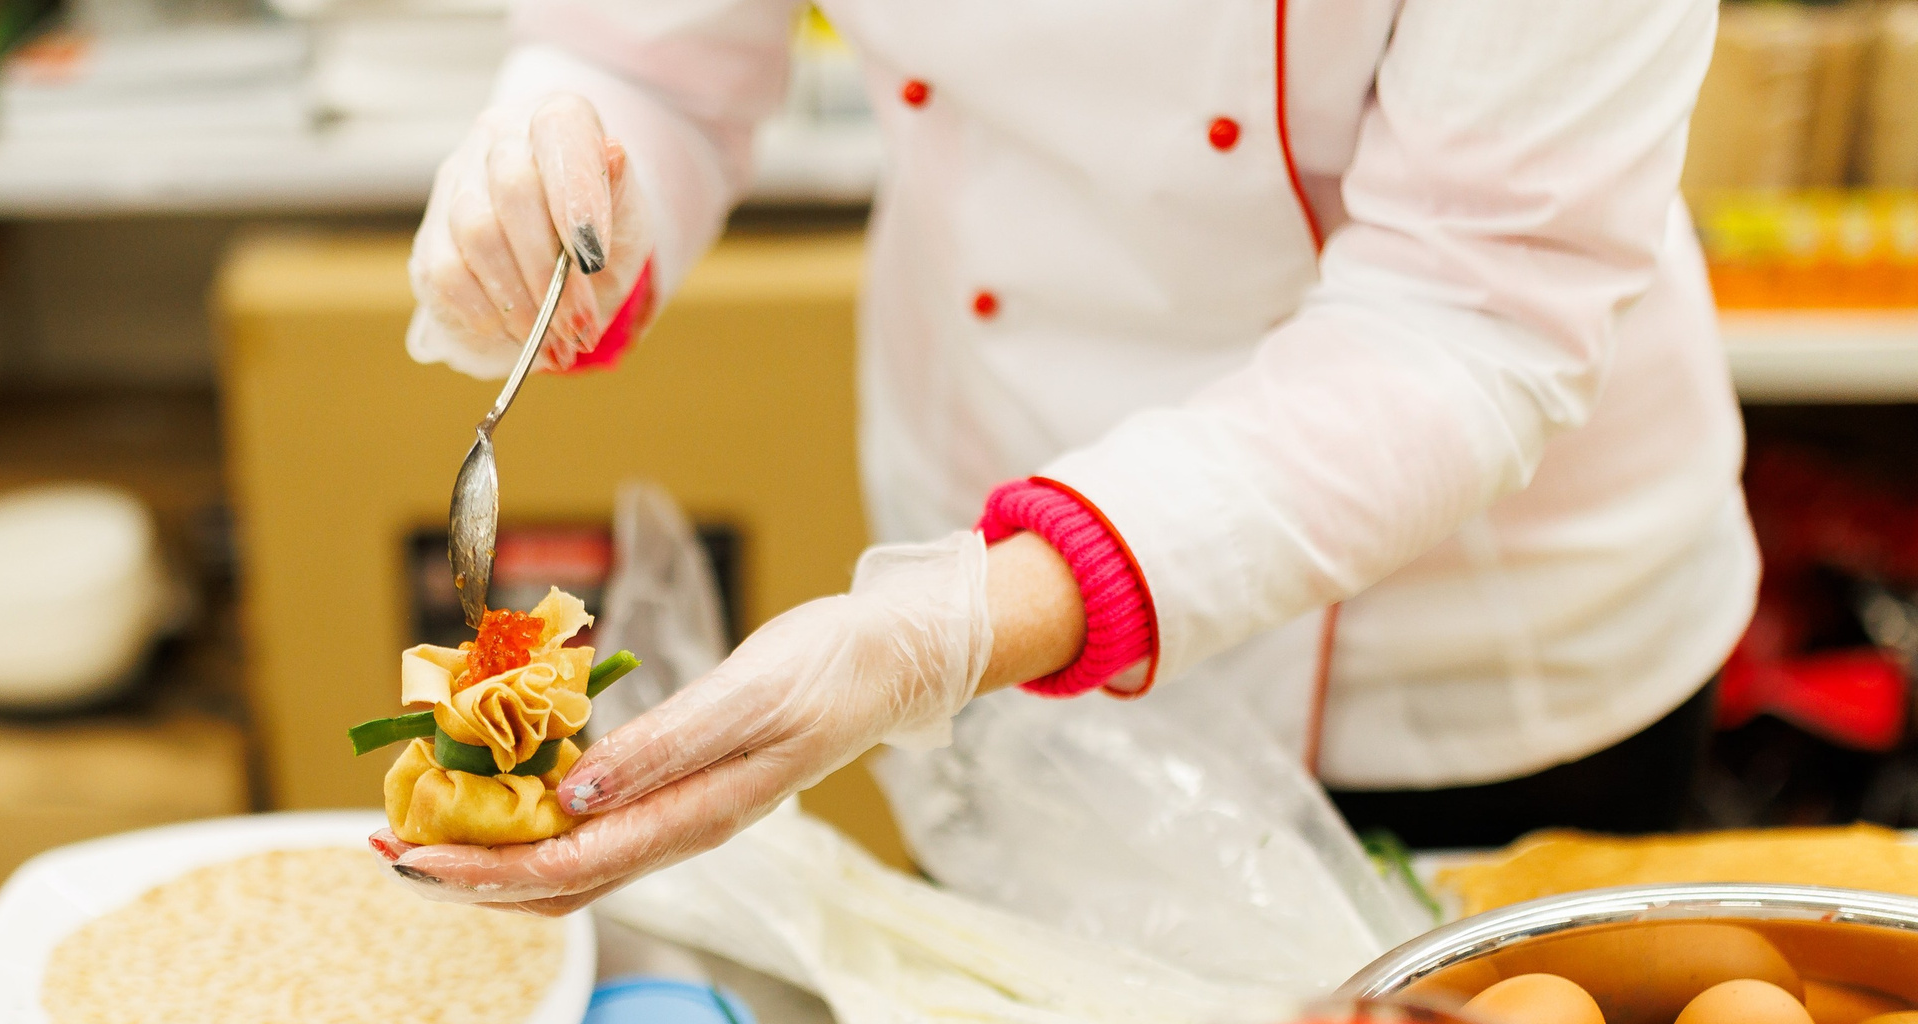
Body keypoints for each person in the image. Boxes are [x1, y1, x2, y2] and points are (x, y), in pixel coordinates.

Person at [373, 1, 1751, 913]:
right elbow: (648, 56)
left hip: (1468, 631)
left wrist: (970, 622)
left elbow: (1471, 306)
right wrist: (556, 186)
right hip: (993, 483)